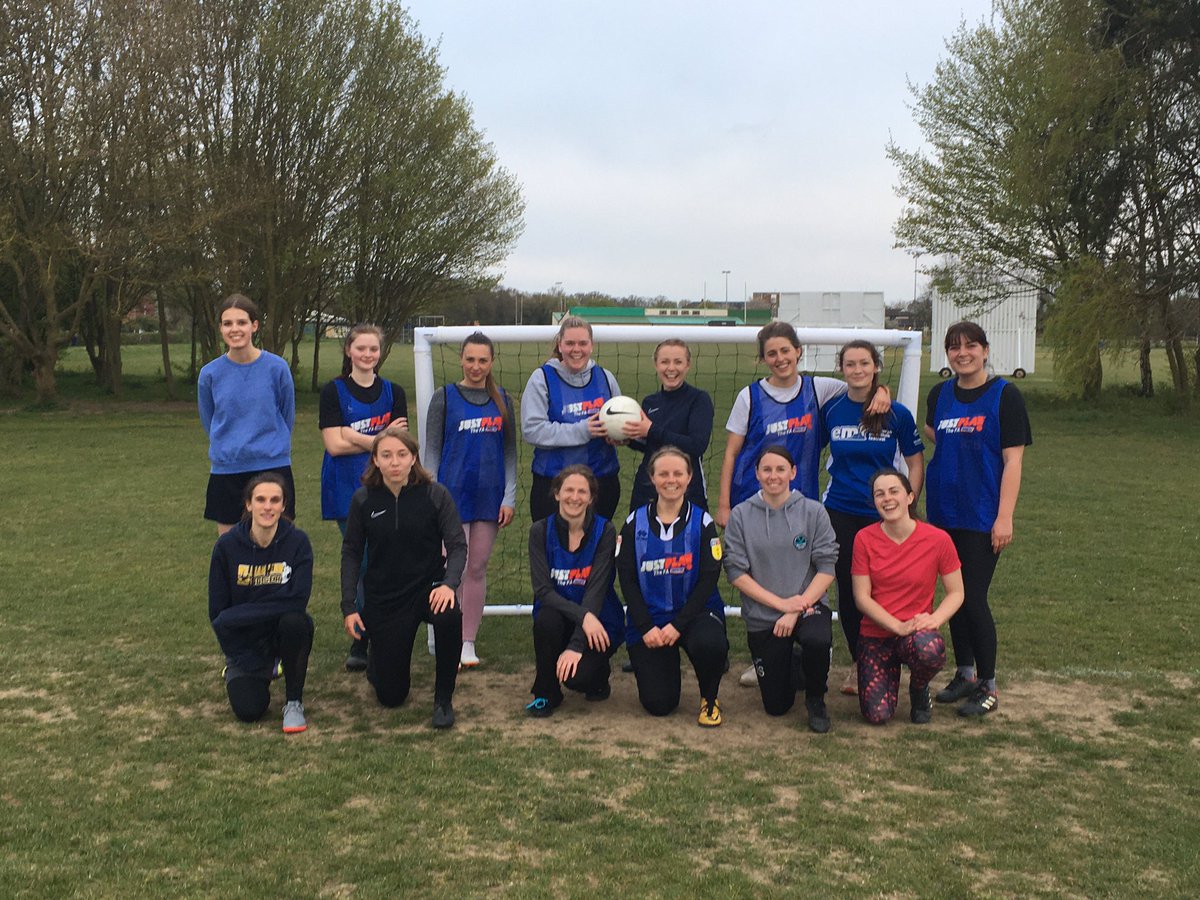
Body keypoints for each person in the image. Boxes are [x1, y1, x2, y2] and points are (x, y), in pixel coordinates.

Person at [924, 321, 1031, 717]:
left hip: (982, 515)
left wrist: (1004, 517)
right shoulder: (939, 394)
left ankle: (988, 684)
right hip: (943, 514)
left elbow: (1013, 460)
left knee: (972, 597)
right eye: (954, 347)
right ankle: (965, 673)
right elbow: (935, 433)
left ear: (985, 351)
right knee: (955, 596)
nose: (962, 353)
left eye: (970, 346)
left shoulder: (1005, 395)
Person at [340, 427, 467, 729]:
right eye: (386, 455)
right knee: (391, 696)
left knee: (449, 614)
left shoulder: (436, 495)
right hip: (385, 598)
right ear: (376, 460)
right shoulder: (363, 500)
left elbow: (458, 545)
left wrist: (449, 584)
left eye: (401, 454)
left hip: (428, 590)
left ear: (413, 458)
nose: (394, 462)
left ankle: (443, 700)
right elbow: (351, 553)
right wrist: (349, 606)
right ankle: (378, 660)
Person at [821, 340, 925, 696]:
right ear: (841, 368)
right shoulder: (832, 409)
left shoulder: (895, 412)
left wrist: (908, 503)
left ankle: (899, 654)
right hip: (840, 511)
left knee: (888, 588)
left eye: (864, 363)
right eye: (850, 364)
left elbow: (914, 461)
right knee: (851, 593)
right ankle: (858, 662)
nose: (857, 370)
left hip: (883, 514)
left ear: (875, 366)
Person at [715, 320, 889, 529]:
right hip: (752, 497)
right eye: (771, 354)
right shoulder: (749, 397)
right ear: (763, 359)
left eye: (785, 350)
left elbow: (859, 386)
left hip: (802, 500)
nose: (780, 358)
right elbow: (730, 454)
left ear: (798, 351)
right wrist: (724, 505)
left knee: (798, 560)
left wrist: (881, 391)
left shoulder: (818, 388)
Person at [722, 446, 839, 733]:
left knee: (817, 639)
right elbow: (736, 573)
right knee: (776, 706)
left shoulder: (814, 512)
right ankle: (795, 661)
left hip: (808, 606)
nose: (773, 476)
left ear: (793, 473)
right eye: (767, 470)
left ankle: (815, 698)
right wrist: (780, 605)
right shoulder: (741, 515)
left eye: (780, 469)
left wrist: (796, 608)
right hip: (765, 614)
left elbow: (827, 568)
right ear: (757, 473)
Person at [319, 323, 408, 672]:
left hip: (388, 486)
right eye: (361, 349)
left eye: (373, 349)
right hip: (346, 488)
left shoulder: (394, 391)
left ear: (380, 353)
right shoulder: (334, 391)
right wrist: (378, 439)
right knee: (364, 561)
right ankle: (361, 639)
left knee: (387, 561)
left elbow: (398, 447)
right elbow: (333, 445)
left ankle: (384, 630)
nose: (367, 355)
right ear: (349, 351)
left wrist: (355, 435)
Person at [424, 332, 517, 668]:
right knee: (454, 569)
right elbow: (431, 450)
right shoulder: (445, 397)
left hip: (489, 500)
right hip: (452, 498)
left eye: (483, 360)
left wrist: (509, 496)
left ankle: (466, 642)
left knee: (476, 568)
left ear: (491, 362)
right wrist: (431, 495)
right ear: (461, 359)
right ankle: (443, 635)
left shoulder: (502, 398)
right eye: (470, 359)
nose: (476, 366)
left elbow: (510, 453)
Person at [617, 447, 727, 726]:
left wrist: (679, 624)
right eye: (663, 473)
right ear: (651, 478)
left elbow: (708, 579)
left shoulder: (703, 522)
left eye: (678, 473)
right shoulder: (633, 522)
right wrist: (645, 626)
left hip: (695, 614)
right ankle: (665, 668)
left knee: (709, 642)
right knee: (659, 704)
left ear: (689, 477)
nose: (671, 479)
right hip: (652, 620)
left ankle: (710, 698)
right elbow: (627, 579)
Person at [851, 469, 964, 725]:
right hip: (877, 635)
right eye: (879, 494)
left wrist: (934, 620)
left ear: (910, 497)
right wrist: (897, 626)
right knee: (877, 715)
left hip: (916, 632)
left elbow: (957, 592)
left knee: (930, 649)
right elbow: (862, 598)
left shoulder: (938, 539)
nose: (887, 499)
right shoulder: (864, 539)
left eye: (894, 491)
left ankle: (918, 686)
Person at [208, 472, 313, 734]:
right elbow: (218, 612)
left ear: (283, 505)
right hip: (245, 641)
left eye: (275, 500)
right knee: (249, 711)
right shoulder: (227, 547)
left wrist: (238, 615)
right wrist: (244, 650)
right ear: (248, 504)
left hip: (280, 631)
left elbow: (298, 600)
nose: (268, 507)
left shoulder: (298, 543)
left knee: (297, 622)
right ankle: (257, 669)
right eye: (261, 499)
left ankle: (293, 702)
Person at [525, 465, 625, 717]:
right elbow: (543, 590)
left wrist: (577, 644)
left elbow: (596, 590)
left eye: (582, 491)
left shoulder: (605, 530)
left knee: (579, 679)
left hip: (599, 620)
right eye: (569, 490)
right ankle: (545, 693)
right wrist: (583, 617)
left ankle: (599, 676)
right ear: (557, 493)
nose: (575, 497)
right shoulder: (539, 531)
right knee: (546, 619)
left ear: (591, 498)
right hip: (566, 615)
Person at [198, 294, 296, 537]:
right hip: (227, 471)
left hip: (272, 467)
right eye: (227, 323)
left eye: (241, 322)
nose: (235, 329)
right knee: (231, 549)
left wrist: (271, 445)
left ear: (254, 325)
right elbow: (209, 419)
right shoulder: (210, 374)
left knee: (278, 546)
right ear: (220, 328)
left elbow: (287, 415)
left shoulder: (277, 368)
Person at [521, 316, 622, 522]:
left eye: (583, 343)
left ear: (591, 346)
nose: (577, 349)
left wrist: (621, 436)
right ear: (560, 345)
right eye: (570, 343)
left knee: (597, 551)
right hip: (552, 484)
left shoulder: (605, 377)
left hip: (602, 482)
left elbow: (619, 422)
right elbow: (532, 430)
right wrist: (584, 430)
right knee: (552, 551)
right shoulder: (542, 378)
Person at [621, 338, 715, 511]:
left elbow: (696, 445)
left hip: (687, 489)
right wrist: (628, 439)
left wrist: (651, 429)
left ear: (688, 365)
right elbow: (652, 444)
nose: (671, 368)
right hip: (648, 487)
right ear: (656, 365)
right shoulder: (650, 402)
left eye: (678, 362)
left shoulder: (699, 399)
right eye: (664, 362)